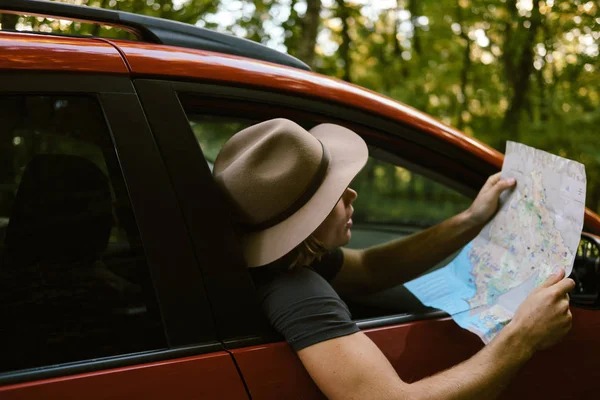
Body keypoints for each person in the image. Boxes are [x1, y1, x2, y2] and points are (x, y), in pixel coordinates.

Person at [213, 118, 574, 400]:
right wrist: (521, 337)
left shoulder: (288, 259)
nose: (352, 192)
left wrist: (470, 220)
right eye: (334, 193)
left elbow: (369, 269)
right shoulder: (296, 291)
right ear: (303, 222)